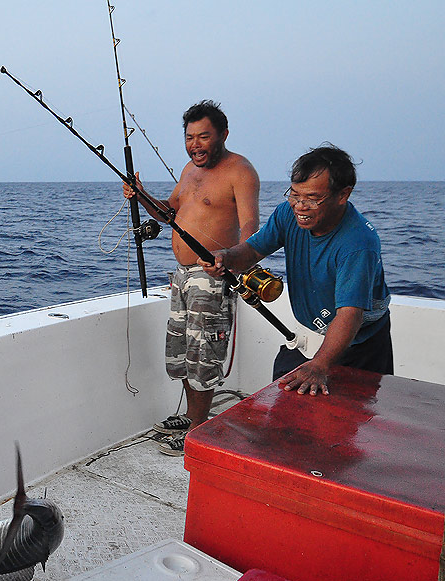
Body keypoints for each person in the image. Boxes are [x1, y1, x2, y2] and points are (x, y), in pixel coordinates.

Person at [123, 100, 260, 455]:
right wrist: (141, 195)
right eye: (189, 137)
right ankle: (191, 415)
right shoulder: (189, 170)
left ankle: (199, 429)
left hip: (212, 277)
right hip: (181, 277)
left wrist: (237, 262)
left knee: (205, 354)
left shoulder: (240, 171)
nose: (195, 144)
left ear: (223, 135)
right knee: (182, 353)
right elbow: (168, 214)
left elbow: (250, 226)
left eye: (203, 136)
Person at [203, 144, 392, 395]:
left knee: (351, 423)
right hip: (305, 337)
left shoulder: (358, 244)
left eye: (312, 199)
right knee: (284, 403)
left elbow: (349, 315)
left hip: (359, 346)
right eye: (294, 194)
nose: (300, 206)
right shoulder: (287, 214)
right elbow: (253, 250)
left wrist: (320, 364)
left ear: (343, 195)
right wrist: (226, 257)